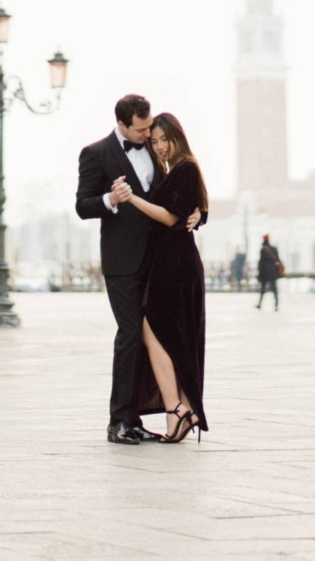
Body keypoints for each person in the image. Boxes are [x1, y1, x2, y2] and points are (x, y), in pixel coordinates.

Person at [75, 94, 200, 446]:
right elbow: (83, 206)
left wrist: (198, 215)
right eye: (143, 129)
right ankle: (119, 421)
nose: (149, 136)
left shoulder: (158, 153)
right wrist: (111, 200)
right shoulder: (96, 154)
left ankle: (141, 418)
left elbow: (177, 196)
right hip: (123, 263)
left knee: (156, 337)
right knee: (130, 335)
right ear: (123, 124)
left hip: (160, 262)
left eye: (151, 129)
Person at [115, 112, 209, 443]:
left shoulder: (185, 167)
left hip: (175, 265)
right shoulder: (176, 171)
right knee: (167, 336)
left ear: (177, 137)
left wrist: (132, 199)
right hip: (169, 263)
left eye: (164, 140)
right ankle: (181, 408)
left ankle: (177, 409)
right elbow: (191, 207)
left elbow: (171, 217)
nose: (159, 147)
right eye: (154, 142)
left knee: (153, 331)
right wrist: (200, 214)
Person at [256, 233, 281, 310]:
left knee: (263, 289)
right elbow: (278, 260)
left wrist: (259, 272)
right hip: (273, 271)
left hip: (265, 272)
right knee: (274, 289)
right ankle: (276, 305)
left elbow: (261, 262)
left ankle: (260, 304)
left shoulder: (263, 249)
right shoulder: (274, 248)